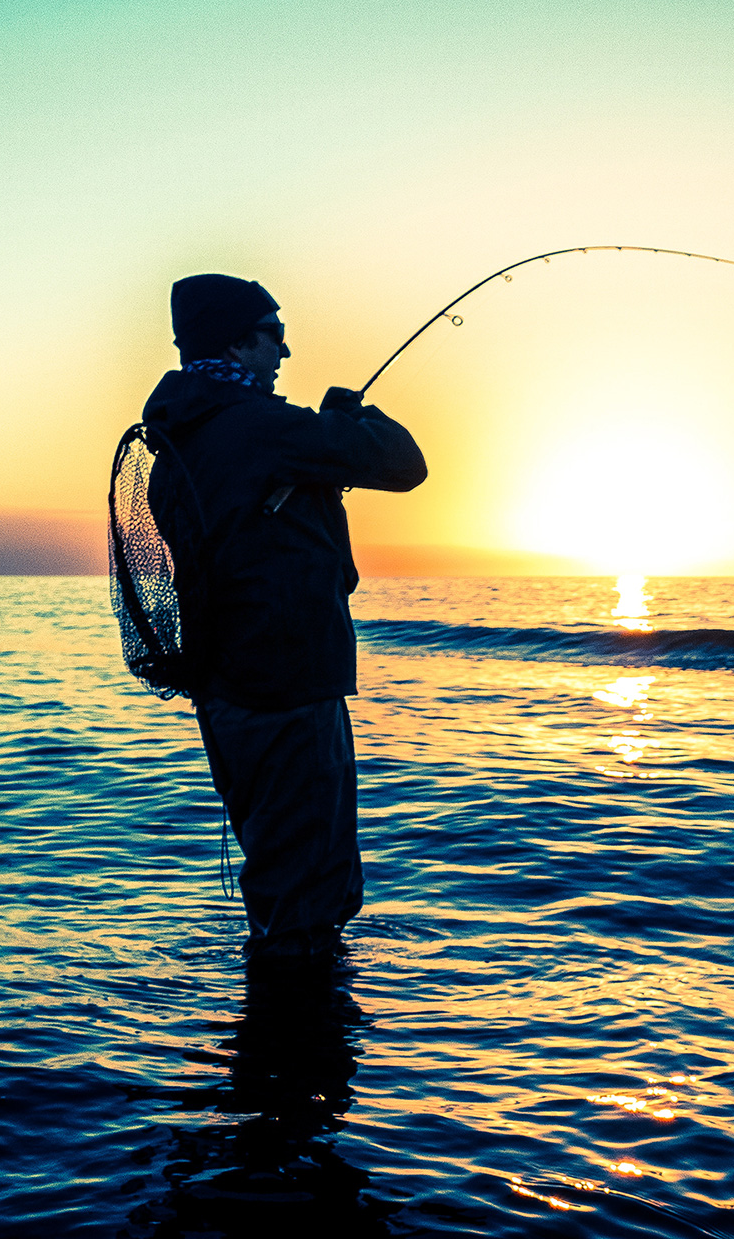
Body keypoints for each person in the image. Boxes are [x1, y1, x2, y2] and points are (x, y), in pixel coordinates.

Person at [142, 273, 427, 963]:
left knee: (277, 864)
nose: (285, 353)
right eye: (274, 334)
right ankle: (297, 1049)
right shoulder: (265, 429)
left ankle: (273, 1035)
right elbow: (404, 463)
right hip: (288, 683)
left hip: (225, 687)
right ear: (238, 344)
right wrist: (354, 419)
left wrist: (320, 441)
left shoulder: (177, 441)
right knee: (310, 881)